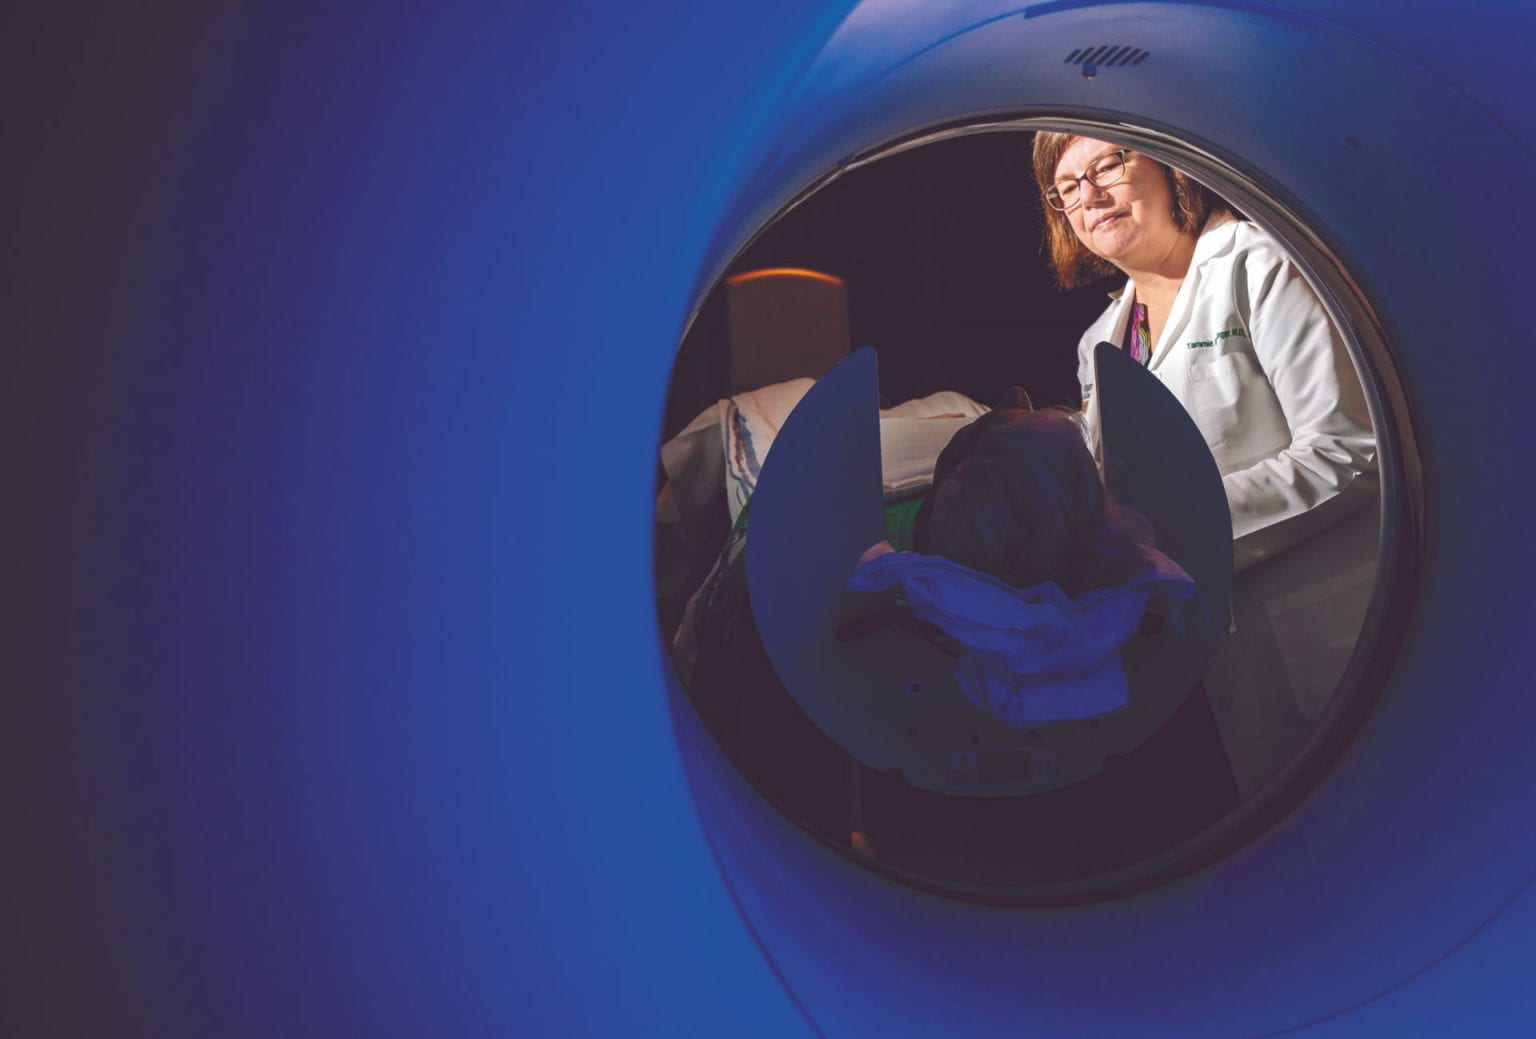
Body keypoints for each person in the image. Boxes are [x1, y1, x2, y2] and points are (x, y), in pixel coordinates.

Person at [1032, 132, 1380, 796]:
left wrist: (1162, 526)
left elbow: (1351, 449)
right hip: (1188, 663)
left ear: (1167, 168)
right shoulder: (1101, 341)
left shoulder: (1256, 263)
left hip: (1310, 635)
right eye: (1068, 186)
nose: (1091, 195)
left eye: (1109, 163)